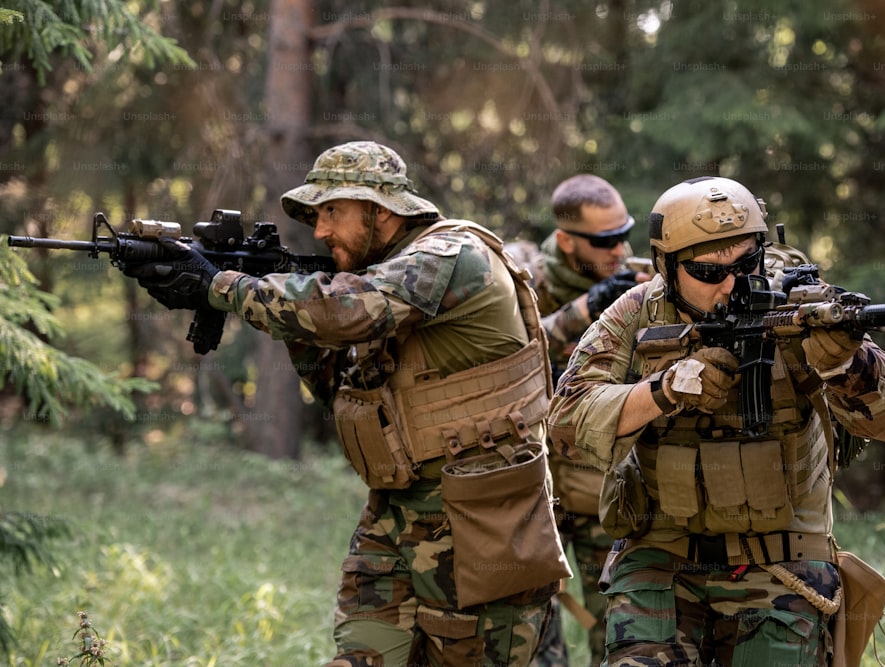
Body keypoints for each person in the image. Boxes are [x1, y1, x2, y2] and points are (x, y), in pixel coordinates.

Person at [125, 140, 571, 666]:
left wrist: (222, 285)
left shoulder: (450, 256)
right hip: (399, 510)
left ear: (380, 210)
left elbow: (346, 310)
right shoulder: (385, 274)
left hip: (484, 519)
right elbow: (343, 393)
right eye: (316, 216)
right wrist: (276, 310)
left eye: (332, 211)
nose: (320, 230)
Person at [546, 176, 885, 666]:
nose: (731, 283)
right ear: (666, 266)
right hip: (661, 554)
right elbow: (566, 422)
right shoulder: (635, 314)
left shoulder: (800, 302)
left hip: (780, 559)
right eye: (706, 271)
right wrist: (663, 390)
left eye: (746, 263)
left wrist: (843, 365)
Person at [507, 174, 648, 667]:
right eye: (604, 239)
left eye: (624, 233)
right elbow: (510, 351)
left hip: (600, 492)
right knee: (521, 642)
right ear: (566, 240)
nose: (620, 249)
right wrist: (588, 307)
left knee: (620, 638)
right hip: (529, 493)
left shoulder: (639, 284)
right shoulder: (520, 276)